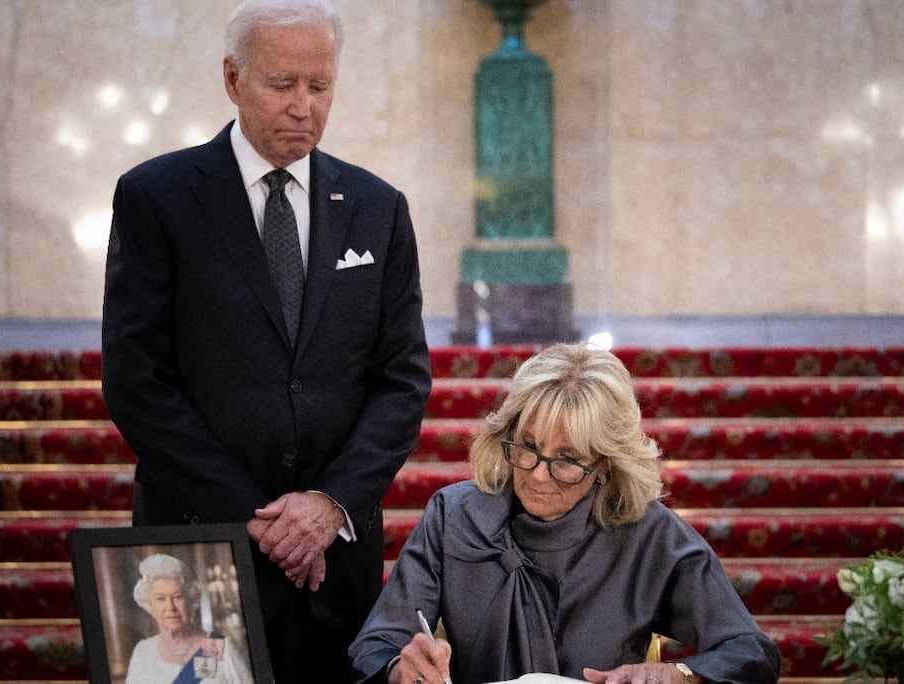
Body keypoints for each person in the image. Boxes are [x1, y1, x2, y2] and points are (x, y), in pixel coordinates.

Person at [100, 0, 432, 681]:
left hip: (334, 561)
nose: (304, 106)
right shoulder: (156, 197)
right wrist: (254, 519)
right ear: (233, 79)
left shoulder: (378, 207)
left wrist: (329, 504)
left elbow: (402, 380)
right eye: (283, 85)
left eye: (321, 85)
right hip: (197, 555)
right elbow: (137, 381)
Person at [348, 343, 782, 684]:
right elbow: (376, 644)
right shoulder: (455, 516)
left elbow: (751, 652)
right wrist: (397, 669)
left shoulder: (649, 535)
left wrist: (680, 674)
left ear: (605, 466)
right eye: (528, 447)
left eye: (567, 459)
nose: (538, 475)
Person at [125, 553, 253, 684]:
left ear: (191, 601)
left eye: (177, 596)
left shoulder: (222, 648)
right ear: (149, 606)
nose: (170, 607)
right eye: (160, 598)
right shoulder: (143, 652)